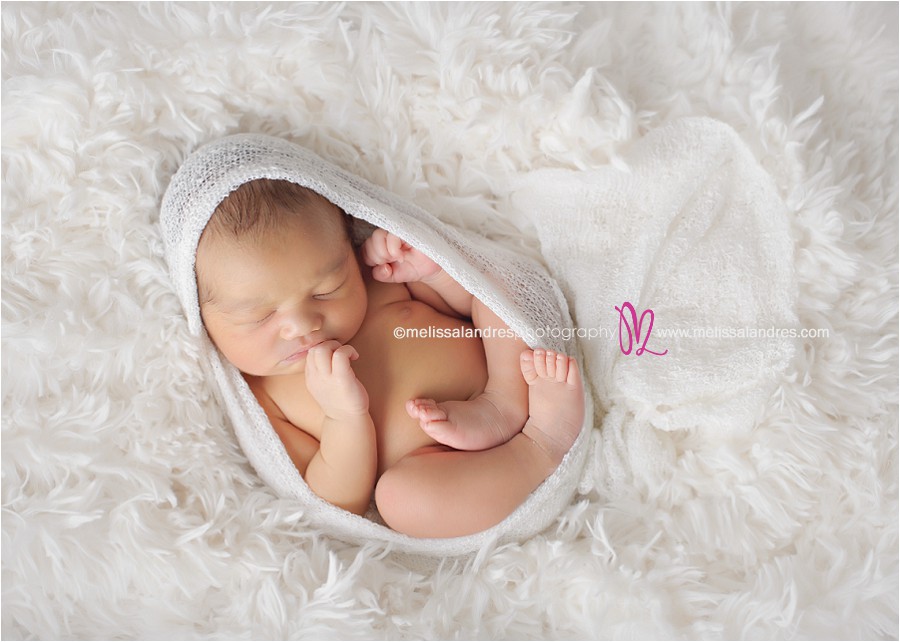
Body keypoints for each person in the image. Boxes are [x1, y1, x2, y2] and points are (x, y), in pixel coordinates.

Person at [195, 178, 584, 538]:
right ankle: (540, 446)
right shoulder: (265, 398)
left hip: (508, 376)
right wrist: (343, 417)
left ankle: (504, 404)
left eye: (326, 290)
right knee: (402, 501)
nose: (302, 324)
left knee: (495, 285)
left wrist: (433, 275)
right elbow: (336, 499)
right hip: (437, 467)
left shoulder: (375, 284)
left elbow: (465, 306)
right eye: (258, 316)